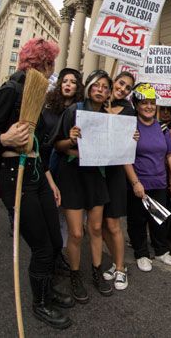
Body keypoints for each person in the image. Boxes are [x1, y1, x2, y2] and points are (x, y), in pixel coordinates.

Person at [0, 38, 74, 329]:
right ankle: (40, 303)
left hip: (36, 172)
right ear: (43, 63)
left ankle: (47, 289)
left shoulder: (36, 92)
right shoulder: (10, 90)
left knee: (55, 241)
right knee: (42, 247)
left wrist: (50, 180)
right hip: (14, 175)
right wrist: (5, 139)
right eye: (51, 65)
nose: (52, 72)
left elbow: (38, 146)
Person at [53, 70, 114, 302]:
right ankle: (75, 275)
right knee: (77, 233)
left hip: (96, 177)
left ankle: (97, 272)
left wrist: (130, 138)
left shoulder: (109, 118)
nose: (101, 89)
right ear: (89, 87)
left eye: (105, 87)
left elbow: (115, 151)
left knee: (96, 229)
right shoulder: (73, 111)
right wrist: (70, 139)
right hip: (73, 176)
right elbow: (57, 145)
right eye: (97, 85)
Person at [124, 83, 171, 272]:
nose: (148, 106)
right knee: (138, 220)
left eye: (152, 102)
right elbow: (125, 157)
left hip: (159, 182)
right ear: (136, 105)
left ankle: (161, 250)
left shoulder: (163, 127)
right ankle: (141, 253)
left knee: (159, 219)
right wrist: (135, 182)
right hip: (139, 183)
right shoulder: (131, 128)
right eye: (144, 103)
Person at [41, 67, 84, 271]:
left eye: (73, 81)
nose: (68, 84)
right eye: (65, 81)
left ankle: (63, 253)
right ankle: (51, 253)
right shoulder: (47, 110)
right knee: (51, 212)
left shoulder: (82, 111)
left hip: (74, 169)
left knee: (69, 214)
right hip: (49, 165)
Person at [101, 71, 136, 291]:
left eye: (127, 88)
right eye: (121, 84)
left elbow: (127, 142)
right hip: (94, 171)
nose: (122, 89)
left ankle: (122, 269)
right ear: (114, 82)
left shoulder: (129, 110)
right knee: (97, 224)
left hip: (115, 172)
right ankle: (115, 261)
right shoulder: (97, 103)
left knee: (113, 223)